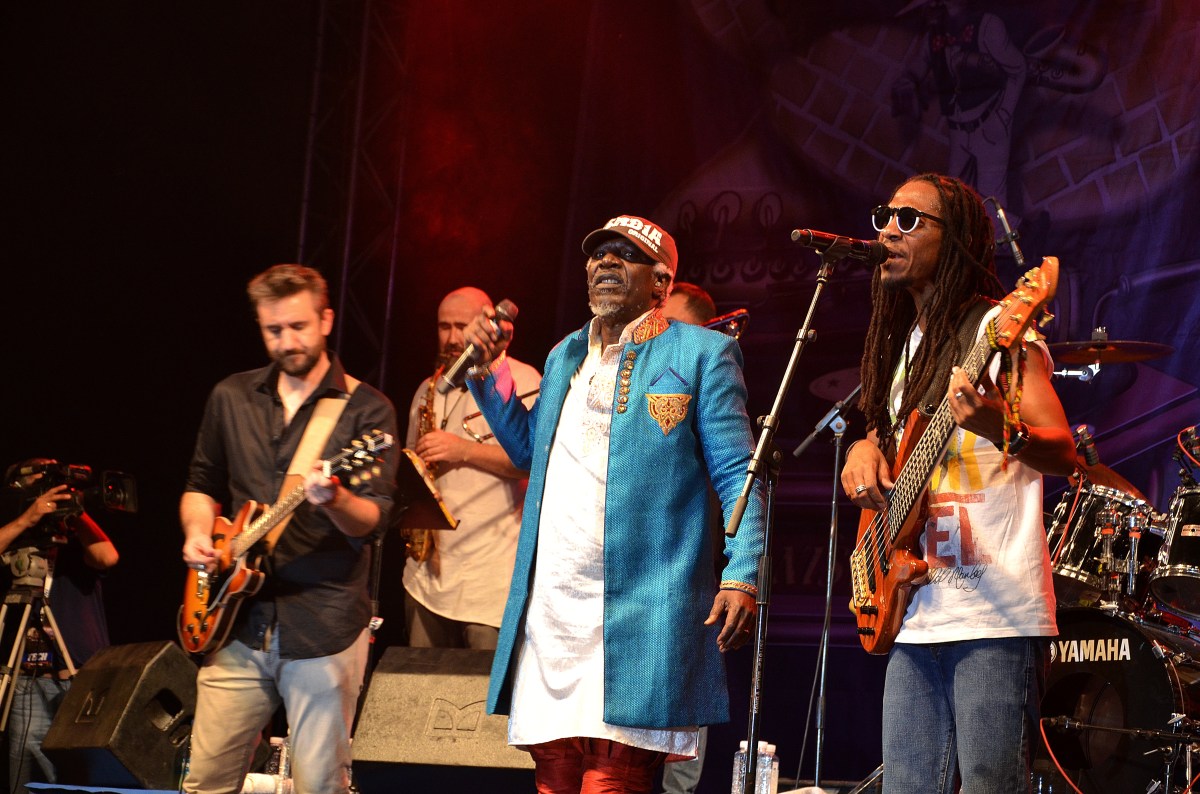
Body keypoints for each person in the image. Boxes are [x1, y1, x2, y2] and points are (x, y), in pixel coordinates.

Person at [462, 215, 767, 794]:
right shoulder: (564, 355)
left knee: (614, 779)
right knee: (553, 779)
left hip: (643, 607)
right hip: (555, 611)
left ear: (661, 282)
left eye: (624, 256)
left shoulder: (702, 353)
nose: (605, 262)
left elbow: (739, 474)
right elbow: (531, 450)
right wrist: (489, 370)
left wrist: (742, 572)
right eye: (597, 253)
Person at [840, 173, 1075, 793]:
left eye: (909, 220)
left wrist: (999, 426)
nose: (889, 232)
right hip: (915, 610)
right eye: (885, 217)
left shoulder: (999, 328)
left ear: (959, 240)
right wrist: (864, 448)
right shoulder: (902, 348)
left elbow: (1064, 453)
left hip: (995, 616)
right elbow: (892, 444)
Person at [180, 264, 396, 794]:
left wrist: (335, 498)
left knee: (319, 786)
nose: (287, 341)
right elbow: (200, 485)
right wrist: (197, 532)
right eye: (273, 330)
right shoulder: (231, 396)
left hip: (323, 626)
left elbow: (374, 519)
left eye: (298, 326)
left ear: (326, 320)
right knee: (204, 782)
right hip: (236, 623)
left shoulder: (367, 410)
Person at [402, 286, 541, 649]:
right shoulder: (428, 389)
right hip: (427, 577)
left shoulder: (522, 378)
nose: (451, 338)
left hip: (489, 580)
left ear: (484, 324)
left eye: (461, 326)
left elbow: (532, 464)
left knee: (479, 685)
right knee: (415, 681)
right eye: (443, 326)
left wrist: (461, 450)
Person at [2, 460, 118, 793]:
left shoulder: (75, 546)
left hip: (79, 677)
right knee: (28, 774)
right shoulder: (18, 542)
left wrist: (76, 511)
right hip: (29, 678)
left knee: (84, 772)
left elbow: (108, 557)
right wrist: (27, 519)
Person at [656, 282, 716, 794]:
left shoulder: (708, 387)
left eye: (672, 325)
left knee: (678, 750)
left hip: (683, 581)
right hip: (635, 580)